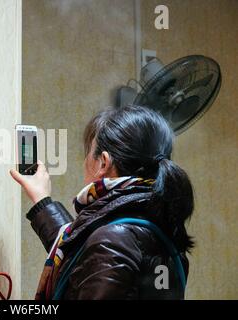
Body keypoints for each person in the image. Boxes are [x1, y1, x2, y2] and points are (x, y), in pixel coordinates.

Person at [10, 105, 194, 300]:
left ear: (103, 163)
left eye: (88, 152)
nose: (84, 162)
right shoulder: (157, 228)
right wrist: (42, 199)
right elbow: (77, 254)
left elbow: (102, 249)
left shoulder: (112, 240)